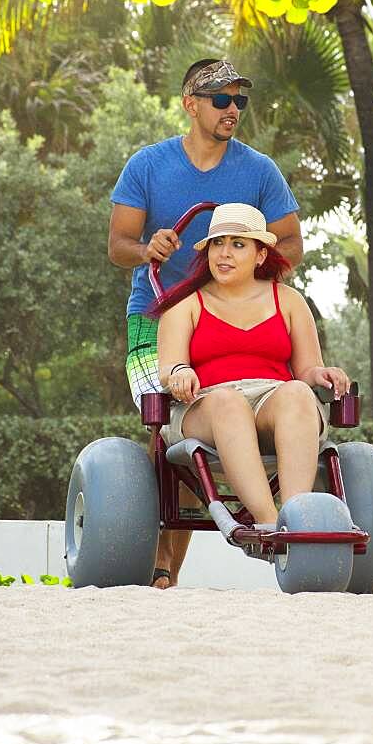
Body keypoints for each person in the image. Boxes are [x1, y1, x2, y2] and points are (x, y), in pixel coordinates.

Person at [108, 58, 303, 587]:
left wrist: (244, 273)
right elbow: (118, 246)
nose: (233, 109)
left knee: (262, 408)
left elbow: (290, 245)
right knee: (172, 425)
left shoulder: (260, 171)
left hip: (236, 320)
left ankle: (296, 525)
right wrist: (149, 245)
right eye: (222, 99)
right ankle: (163, 567)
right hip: (156, 321)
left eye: (241, 99)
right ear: (190, 103)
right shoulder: (148, 166)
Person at [155, 203, 350, 525]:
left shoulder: (288, 300)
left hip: (270, 401)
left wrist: (322, 374)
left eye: (238, 244)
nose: (224, 254)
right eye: (217, 243)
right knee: (229, 403)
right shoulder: (185, 305)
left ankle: (298, 519)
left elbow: (307, 370)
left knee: (299, 392)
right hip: (205, 404)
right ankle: (271, 525)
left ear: (260, 255)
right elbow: (169, 366)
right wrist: (179, 372)